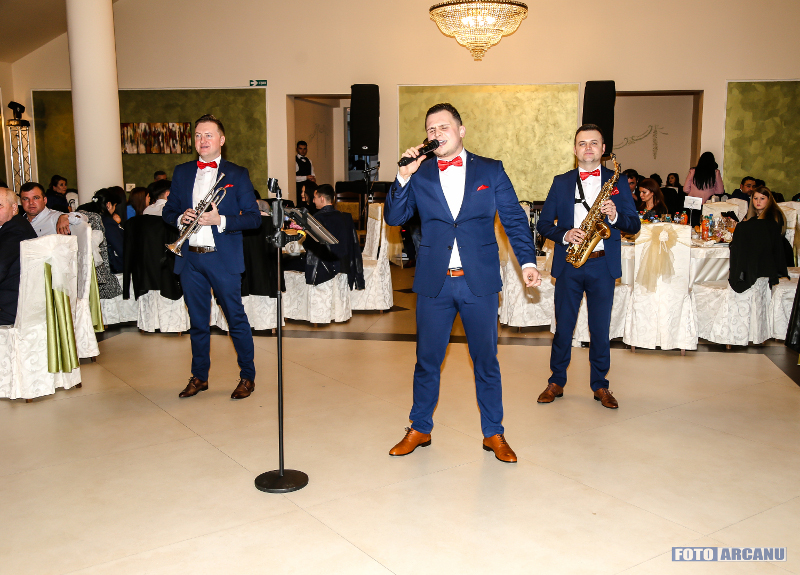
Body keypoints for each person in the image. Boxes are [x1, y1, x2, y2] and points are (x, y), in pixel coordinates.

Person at [385, 102, 540, 463]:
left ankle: (494, 433)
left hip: (478, 282)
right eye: (431, 129)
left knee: (485, 361)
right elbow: (395, 216)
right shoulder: (420, 173)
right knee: (427, 360)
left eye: (443, 127)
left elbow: (514, 219)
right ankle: (419, 427)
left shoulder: (490, 169)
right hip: (434, 282)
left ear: (461, 131)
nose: (436, 134)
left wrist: (527, 261)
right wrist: (404, 176)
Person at [537, 124, 641, 410]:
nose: (588, 148)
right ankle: (556, 381)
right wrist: (565, 234)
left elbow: (634, 225)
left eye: (594, 143)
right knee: (563, 328)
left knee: (600, 328)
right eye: (582, 143)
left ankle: (600, 385)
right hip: (569, 263)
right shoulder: (561, 182)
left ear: (603, 149)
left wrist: (616, 216)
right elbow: (543, 224)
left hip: (602, 265)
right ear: (575, 149)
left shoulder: (617, 181)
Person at [162, 114, 262, 400]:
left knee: (235, 319)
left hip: (222, 259)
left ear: (222, 139)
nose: (202, 140)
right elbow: (168, 211)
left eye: (208, 135)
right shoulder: (182, 171)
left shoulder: (237, 174)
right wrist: (179, 217)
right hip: (190, 258)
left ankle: (247, 376)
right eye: (198, 135)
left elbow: (254, 218)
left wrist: (221, 220)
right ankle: (199, 377)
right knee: (197, 322)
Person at [300, 184, 364, 288]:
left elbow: (309, 246)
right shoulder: (346, 218)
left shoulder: (317, 219)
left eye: (315, 198)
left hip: (323, 272)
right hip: (344, 268)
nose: (313, 201)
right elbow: (354, 246)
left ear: (322, 198)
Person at [729, 186, 788, 293]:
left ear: (769, 200)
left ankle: (742, 276)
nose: (758, 202)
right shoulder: (753, 215)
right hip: (758, 251)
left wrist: (742, 227)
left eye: (762, 198)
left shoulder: (775, 215)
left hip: (772, 253)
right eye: (755, 198)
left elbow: (767, 237)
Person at [0, 187, 37, 325]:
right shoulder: (12, 225)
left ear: (14, 208)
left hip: (12, 306)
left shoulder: (15, 229)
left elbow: (0, 267)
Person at [80, 188, 124, 273]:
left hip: (95, 268)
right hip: (112, 268)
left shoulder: (90, 219)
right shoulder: (107, 223)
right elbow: (121, 250)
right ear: (109, 205)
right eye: (114, 206)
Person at [19, 182, 87, 237]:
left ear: (45, 200)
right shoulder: (19, 221)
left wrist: (66, 216)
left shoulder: (54, 217)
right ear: (21, 202)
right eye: (26, 199)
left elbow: (84, 218)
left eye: (36, 198)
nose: (31, 202)